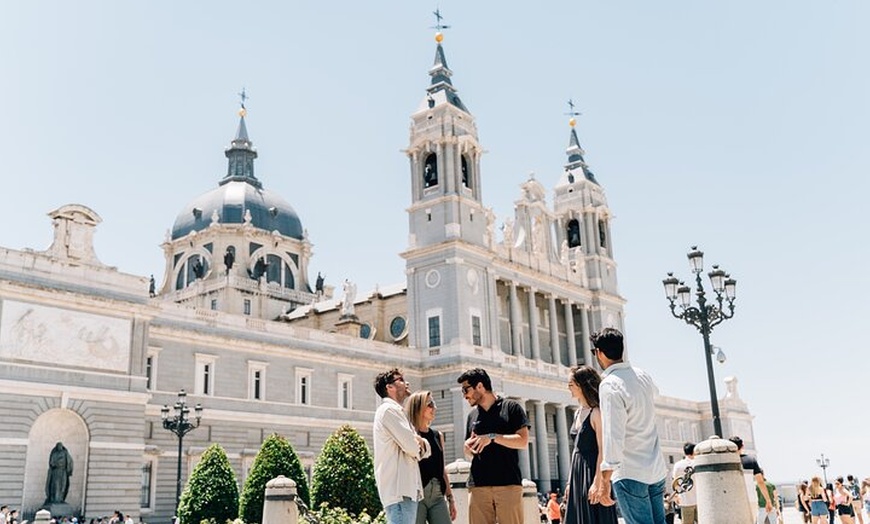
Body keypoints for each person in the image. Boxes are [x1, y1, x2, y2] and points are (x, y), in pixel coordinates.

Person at [587, 328, 667, 524]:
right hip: (656, 469)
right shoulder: (643, 376)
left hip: (630, 472)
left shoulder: (609, 385)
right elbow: (655, 394)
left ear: (599, 353)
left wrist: (605, 479)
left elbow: (613, 434)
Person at [457, 368, 530, 524]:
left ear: (480, 386)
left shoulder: (511, 407)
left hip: (508, 484)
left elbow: (523, 441)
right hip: (478, 486)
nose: (464, 395)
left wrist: (492, 437)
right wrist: (467, 448)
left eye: (466, 389)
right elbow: (468, 452)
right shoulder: (472, 416)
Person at [374, 368, 431, 524]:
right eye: (400, 379)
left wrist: (418, 442)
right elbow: (413, 448)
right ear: (389, 387)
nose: (406, 383)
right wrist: (417, 442)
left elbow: (423, 449)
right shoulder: (389, 410)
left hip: (404, 490)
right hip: (399, 492)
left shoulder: (397, 412)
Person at [564, 365, 617, 524]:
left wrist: (598, 481)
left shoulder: (596, 413)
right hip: (577, 472)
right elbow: (575, 450)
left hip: (593, 470)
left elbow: (602, 450)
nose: (569, 389)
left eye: (571, 385)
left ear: (581, 386)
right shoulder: (577, 412)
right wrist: (569, 482)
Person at [405, 390, 456, 524]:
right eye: (430, 404)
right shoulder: (409, 436)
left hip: (438, 495)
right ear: (418, 407)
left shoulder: (437, 435)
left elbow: (442, 468)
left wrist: (450, 498)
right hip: (417, 496)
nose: (435, 408)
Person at [728, 436, 773, 515]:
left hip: (731, 498)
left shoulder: (726, 460)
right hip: (750, 498)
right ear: (742, 446)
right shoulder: (750, 460)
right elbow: (760, 482)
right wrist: (768, 500)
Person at [672, 442, 697, 524]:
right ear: (694, 451)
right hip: (699, 500)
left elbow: (675, 482)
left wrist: (676, 496)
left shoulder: (678, 465)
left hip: (685, 500)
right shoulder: (698, 463)